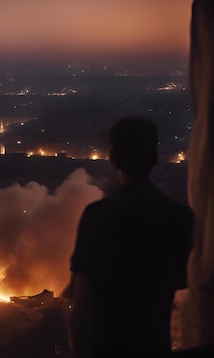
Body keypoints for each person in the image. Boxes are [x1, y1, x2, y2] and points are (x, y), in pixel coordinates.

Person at [62, 116, 194, 358]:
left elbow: (78, 311)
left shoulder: (96, 216)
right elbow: (183, 286)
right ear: (155, 159)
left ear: (113, 159)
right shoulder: (180, 218)